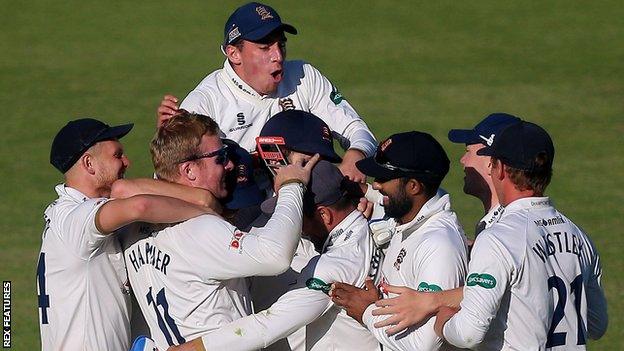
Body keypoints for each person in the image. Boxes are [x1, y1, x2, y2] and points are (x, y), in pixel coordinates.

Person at [372, 121, 608, 350]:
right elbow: (596, 325)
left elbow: (468, 334)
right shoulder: (578, 235)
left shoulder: (498, 239)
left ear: (501, 168)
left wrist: (442, 320)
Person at [120, 111, 319, 350]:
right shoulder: (200, 227)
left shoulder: (130, 231)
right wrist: (291, 186)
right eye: (219, 157)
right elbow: (275, 255)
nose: (230, 164)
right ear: (189, 170)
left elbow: (124, 188)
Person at [38, 118, 212, 350]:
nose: (127, 162)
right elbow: (139, 207)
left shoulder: (70, 216)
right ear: (89, 163)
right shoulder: (75, 219)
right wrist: (206, 209)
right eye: (117, 155)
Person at [169, 161, 380, 351]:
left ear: (324, 214)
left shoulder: (332, 266)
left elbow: (268, 325)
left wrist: (195, 348)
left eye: (300, 219)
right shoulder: (374, 230)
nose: (300, 230)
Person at [156, 2, 377, 182]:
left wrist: (355, 156)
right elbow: (168, 182)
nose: (278, 56)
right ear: (234, 54)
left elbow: (357, 130)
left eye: (281, 45)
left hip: (309, 208)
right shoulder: (203, 103)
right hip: (242, 220)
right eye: (265, 48)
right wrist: (172, 143)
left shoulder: (304, 76)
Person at [330, 131, 469, 350]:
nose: (376, 185)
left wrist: (367, 312)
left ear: (414, 186)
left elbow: (426, 344)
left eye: (384, 178)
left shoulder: (438, 246)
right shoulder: (409, 218)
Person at [448, 113, 520, 241]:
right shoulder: (510, 223)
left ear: (491, 163)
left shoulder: (501, 233)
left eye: (468, 151)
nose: (462, 160)